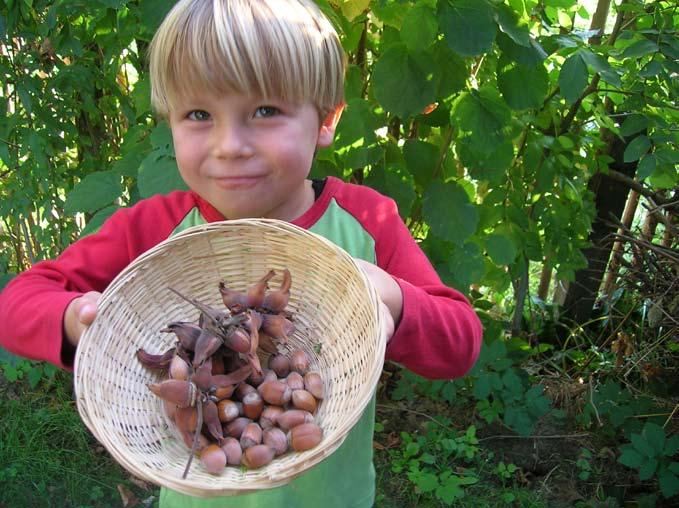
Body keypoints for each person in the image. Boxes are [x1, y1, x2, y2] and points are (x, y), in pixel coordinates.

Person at [0, 0, 483, 506]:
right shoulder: (156, 227)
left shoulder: (366, 220)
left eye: (265, 111)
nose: (230, 145)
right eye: (199, 114)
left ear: (325, 120)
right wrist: (76, 319)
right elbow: (18, 300)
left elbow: (461, 341)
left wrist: (395, 299)